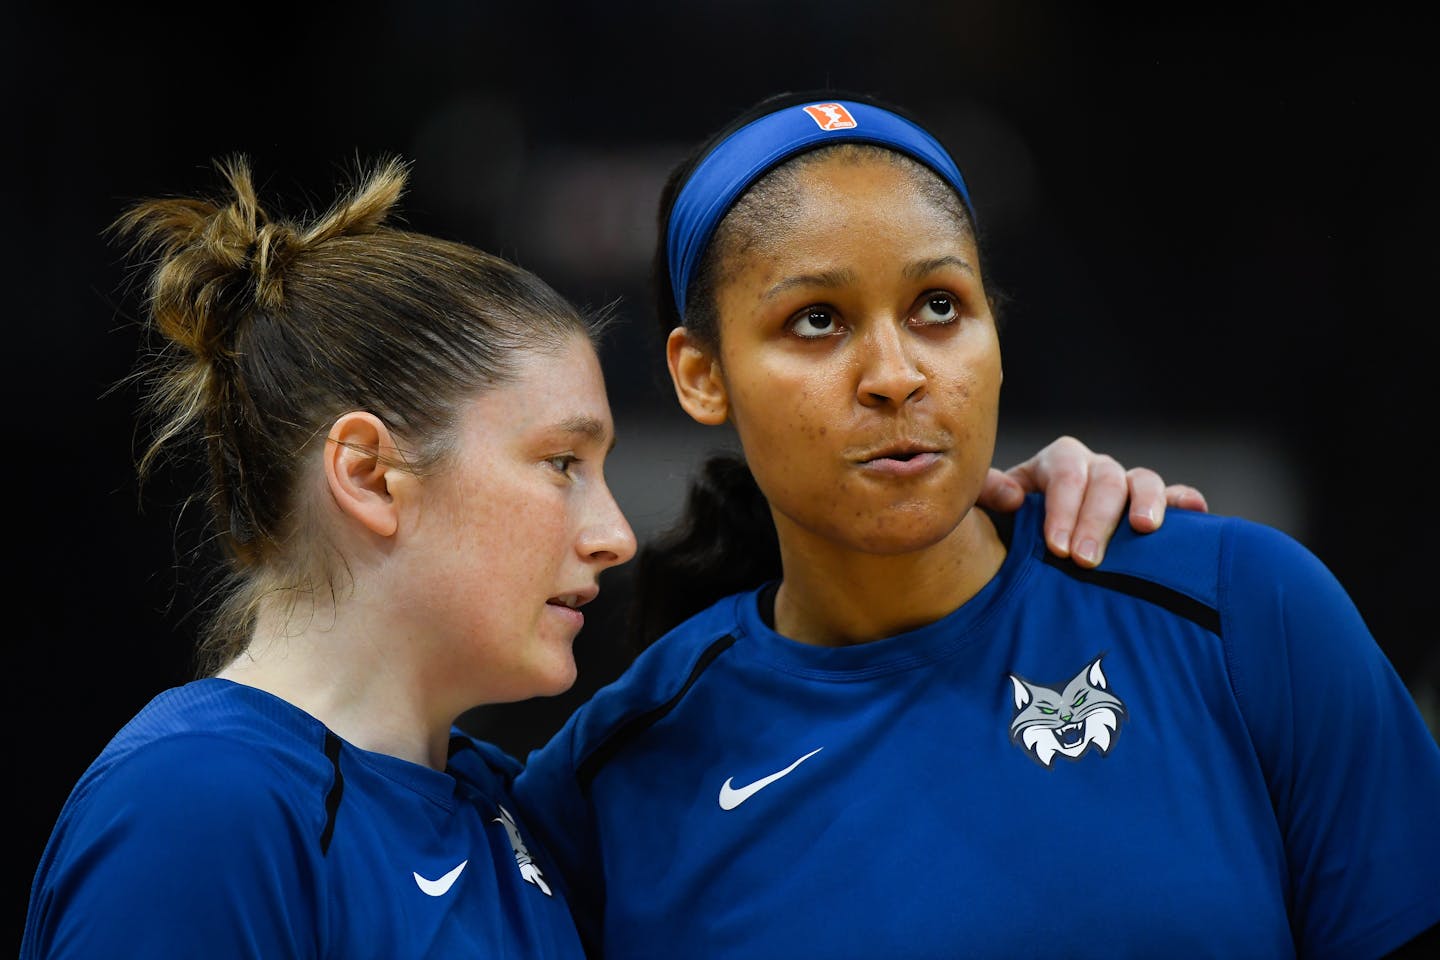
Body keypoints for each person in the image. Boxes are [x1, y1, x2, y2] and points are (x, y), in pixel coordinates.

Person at [21, 154, 1197, 958]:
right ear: (371, 477)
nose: (613, 533)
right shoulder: (198, 806)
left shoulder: (521, 816)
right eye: (558, 463)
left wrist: (1020, 514)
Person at [511, 90, 1440, 958]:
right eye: (818, 320)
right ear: (700, 375)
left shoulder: (1243, 611)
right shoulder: (614, 780)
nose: (896, 373)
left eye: (939, 308)